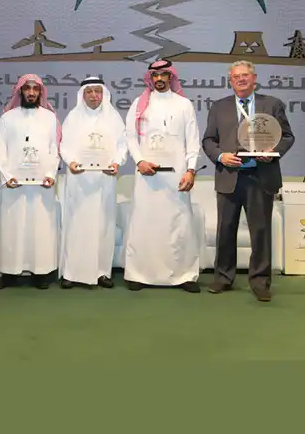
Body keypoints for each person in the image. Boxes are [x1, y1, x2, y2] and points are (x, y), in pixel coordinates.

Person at [202, 60, 295, 302]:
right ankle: (223, 277)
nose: (241, 79)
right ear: (230, 81)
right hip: (229, 176)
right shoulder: (219, 107)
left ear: (254, 78)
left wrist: (274, 151)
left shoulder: (272, 104)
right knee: (225, 229)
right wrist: (221, 156)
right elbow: (209, 140)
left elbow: (287, 136)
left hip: (260, 176)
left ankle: (260, 282)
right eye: (236, 76)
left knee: (261, 231)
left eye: (245, 75)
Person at [124, 59, 201, 293]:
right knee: (144, 223)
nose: (159, 79)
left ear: (171, 77)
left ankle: (184, 275)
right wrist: (140, 161)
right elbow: (130, 137)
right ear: (150, 78)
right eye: (155, 76)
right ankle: (139, 274)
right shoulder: (139, 104)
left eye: (163, 75)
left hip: (177, 176)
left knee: (179, 224)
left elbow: (192, 141)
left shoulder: (184, 104)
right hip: (147, 175)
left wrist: (191, 170)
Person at [0, 74, 61, 290]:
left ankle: (40, 273)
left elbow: (54, 148)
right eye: (27, 88)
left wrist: (51, 173)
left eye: (35, 89)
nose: (31, 93)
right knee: (12, 228)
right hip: (14, 184)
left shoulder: (50, 118)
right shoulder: (7, 118)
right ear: (20, 91)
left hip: (42, 185)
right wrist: (7, 176)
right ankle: (9, 273)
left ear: (40, 92)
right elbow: (1, 148)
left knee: (40, 228)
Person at [59, 77, 127, 288]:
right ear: (83, 95)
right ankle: (71, 273)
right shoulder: (73, 117)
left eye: (98, 91)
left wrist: (116, 162)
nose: (94, 95)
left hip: (104, 180)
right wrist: (70, 161)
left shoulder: (113, 118)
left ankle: (102, 272)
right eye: (89, 92)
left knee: (103, 226)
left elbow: (122, 145)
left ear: (103, 94)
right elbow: (64, 146)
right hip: (79, 180)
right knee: (77, 225)